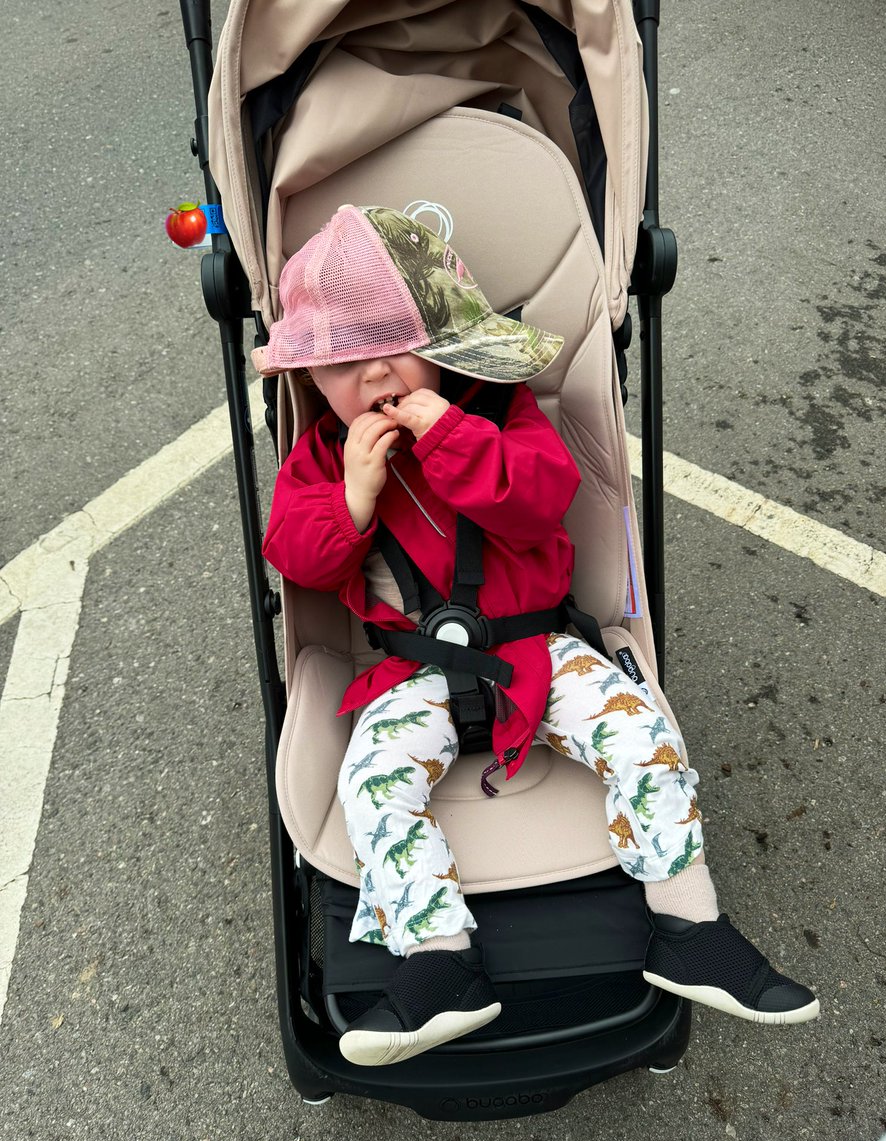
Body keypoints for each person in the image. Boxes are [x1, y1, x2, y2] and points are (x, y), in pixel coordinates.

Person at [256, 205, 819, 1067]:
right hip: (411, 675)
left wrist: (451, 439)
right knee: (371, 780)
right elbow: (295, 555)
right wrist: (353, 501)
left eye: (397, 350)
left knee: (642, 735)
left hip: (537, 650)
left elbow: (540, 497)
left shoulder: (499, 411)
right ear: (310, 379)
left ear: (446, 346)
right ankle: (440, 960)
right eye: (341, 363)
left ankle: (688, 924)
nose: (374, 377)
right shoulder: (322, 462)